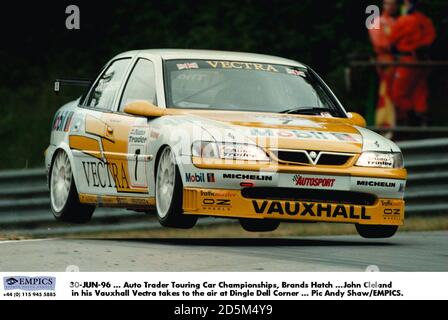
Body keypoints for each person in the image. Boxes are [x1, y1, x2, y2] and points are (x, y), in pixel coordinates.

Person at [389, 0, 436, 126]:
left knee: (397, 94)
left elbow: (392, 40)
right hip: (423, 62)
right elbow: (430, 39)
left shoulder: (404, 20)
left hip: (407, 61)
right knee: (420, 93)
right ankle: (423, 122)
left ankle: (413, 120)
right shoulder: (426, 20)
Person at [369, 0, 400, 129]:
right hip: (385, 62)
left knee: (395, 92)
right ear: (383, 5)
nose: (391, 6)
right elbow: (379, 43)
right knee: (385, 91)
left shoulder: (397, 21)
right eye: (388, 3)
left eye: (393, 3)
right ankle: (384, 123)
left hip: (398, 61)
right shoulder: (376, 21)